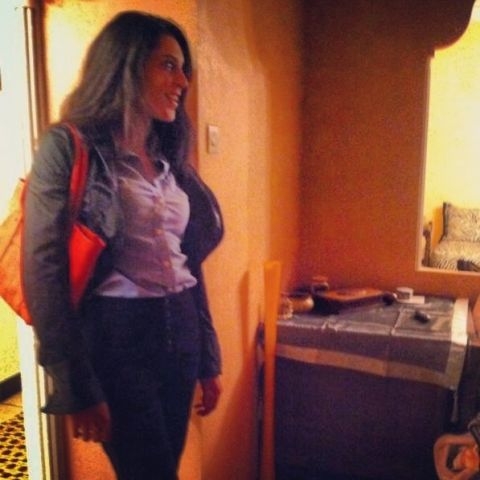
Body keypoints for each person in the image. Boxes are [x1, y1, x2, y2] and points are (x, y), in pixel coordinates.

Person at [22, 10, 223, 480]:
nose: (183, 81)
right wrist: (75, 386)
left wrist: (207, 358)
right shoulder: (67, 147)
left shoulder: (169, 156)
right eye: (168, 65)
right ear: (127, 66)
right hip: (117, 340)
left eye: (183, 68)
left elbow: (188, 263)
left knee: (164, 469)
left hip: (181, 332)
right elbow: (43, 272)